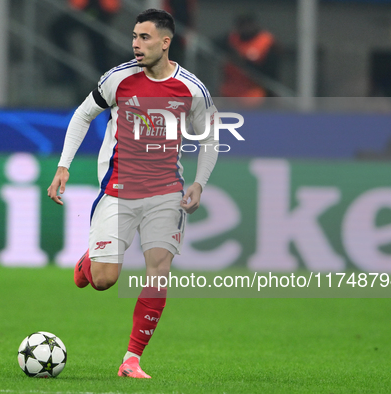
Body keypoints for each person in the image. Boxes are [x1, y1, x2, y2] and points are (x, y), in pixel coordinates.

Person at [47, 8, 218, 379]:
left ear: (165, 42)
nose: (136, 44)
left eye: (144, 38)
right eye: (134, 37)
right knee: (105, 280)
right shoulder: (118, 79)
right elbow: (82, 115)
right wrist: (64, 166)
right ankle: (89, 261)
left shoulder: (191, 88)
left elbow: (210, 138)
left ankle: (132, 359)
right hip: (118, 189)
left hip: (166, 193)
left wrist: (199, 183)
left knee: (159, 271)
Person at [216, 13, 279, 100]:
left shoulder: (265, 41)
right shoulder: (231, 39)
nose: (245, 28)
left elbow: (270, 72)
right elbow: (214, 45)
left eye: (247, 24)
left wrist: (243, 62)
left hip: (254, 92)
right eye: (242, 25)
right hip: (230, 91)